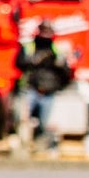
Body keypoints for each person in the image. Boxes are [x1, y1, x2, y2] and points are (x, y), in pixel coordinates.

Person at [15, 22, 72, 150]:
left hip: (48, 92)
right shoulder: (29, 47)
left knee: (44, 124)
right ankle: (23, 147)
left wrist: (58, 64)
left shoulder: (56, 50)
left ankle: (40, 147)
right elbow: (19, 63)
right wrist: (35, 60)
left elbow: (66, 72)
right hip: (30, 90)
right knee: (23, 121)